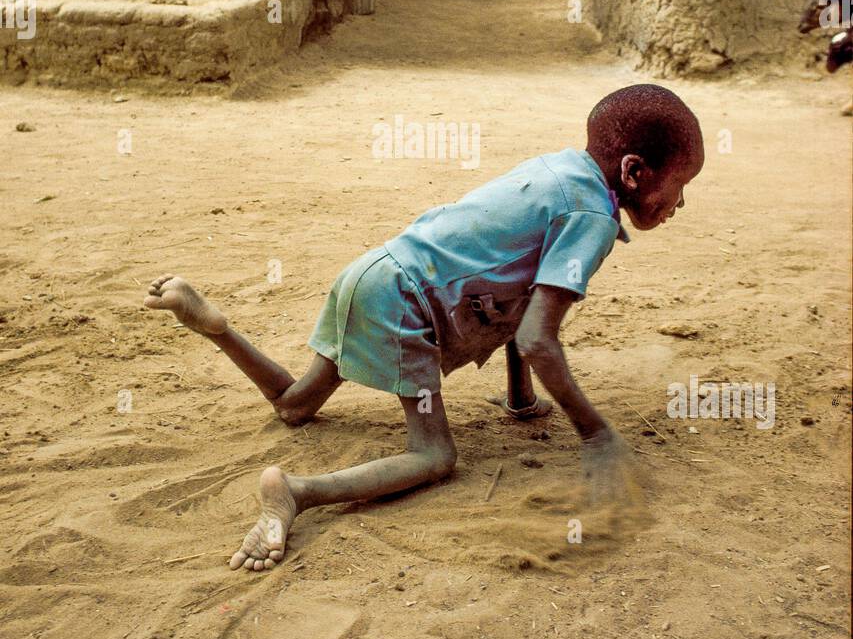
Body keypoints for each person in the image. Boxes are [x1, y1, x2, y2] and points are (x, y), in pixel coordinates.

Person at [145, 83, 704, 573]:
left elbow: (523, 299)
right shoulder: (591, 220)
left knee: (296, 405)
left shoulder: (559, 171)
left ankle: (216, 327)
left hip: (373, 275)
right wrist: (596, 433)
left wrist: (521, 401)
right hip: (405, 308)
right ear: (633, 171)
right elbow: (537, 336)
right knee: (434, 456)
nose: (681, 203)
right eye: (680, 185)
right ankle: (297, 492)